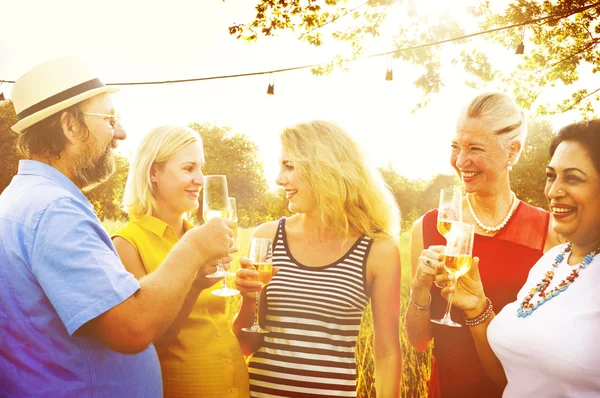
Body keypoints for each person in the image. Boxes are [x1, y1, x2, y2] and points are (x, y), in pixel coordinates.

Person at [0, 57, 233, 397]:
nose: (121, 134)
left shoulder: (21, 198)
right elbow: (131, 328)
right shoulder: (54, 210)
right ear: (69, 126)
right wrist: (194, 248)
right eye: (109, 119)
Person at [233, 120, 403, 397]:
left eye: (289, 166)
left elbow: (386, 352)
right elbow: (244, 345)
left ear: (324, 169)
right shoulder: (267, 236)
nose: (279, 179)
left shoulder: (377, 250)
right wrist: (249, 297)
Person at [406, 92, 559, 397]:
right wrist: (419, 288)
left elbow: (551, 349)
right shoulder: (427, 228)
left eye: (474, 148)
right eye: (455, 146)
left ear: (512, 152)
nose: (461, 161)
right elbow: (419, 341)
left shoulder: (549, 233)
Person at [435, 119, 600, 396]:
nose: (553, 191)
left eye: (572, 178)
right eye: (551, 176)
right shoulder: (551, 261)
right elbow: (511, 378)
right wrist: (477, 306)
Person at [112, 125, 249, 397]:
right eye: (188, 169)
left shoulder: (201, 236)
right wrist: (195, 283)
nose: (200, 179)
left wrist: (251, 297)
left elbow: (224, 329)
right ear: (154, 173)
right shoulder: (127, 244)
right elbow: (150, 343)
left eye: (201, 168)